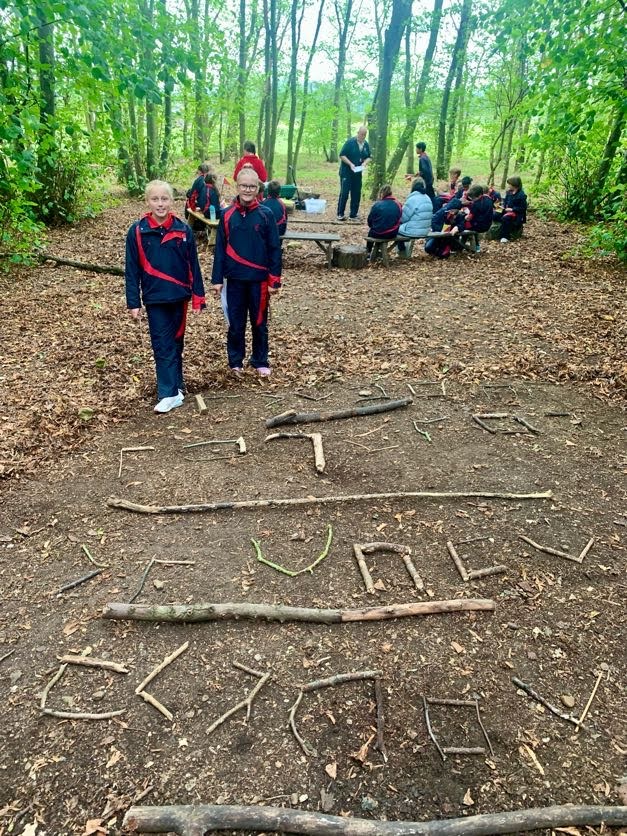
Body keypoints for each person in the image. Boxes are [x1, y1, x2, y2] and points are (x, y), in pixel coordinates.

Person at [125, 180, 206, 413]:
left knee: (176, 342)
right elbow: (132, 269)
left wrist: (198, 296)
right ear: (147, 201)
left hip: (180, 296)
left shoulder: (183, 230)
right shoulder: (138, 231)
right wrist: (133, 302)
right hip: (154, 298)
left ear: (171, 201)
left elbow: (194, 266)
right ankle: (167, 393)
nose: (160, 204)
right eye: (155, 199)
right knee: (162, 344)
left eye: (164, 199)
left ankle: (177, 386)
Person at [211, 168, 282, 378]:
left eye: (252, 186)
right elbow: (220, 249)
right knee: (236, 323)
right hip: (234, 279)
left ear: (258, 188)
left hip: (259, 281)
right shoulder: (226, 215)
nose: (247, 190)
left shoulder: (266, 214)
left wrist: (274, 280)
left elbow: (274, 249)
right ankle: (235, 360)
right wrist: (217, 279)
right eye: (244, 185)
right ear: (237, 186)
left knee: (259, 322)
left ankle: (260, 359)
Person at [337, 125, 372, 221]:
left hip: (357, 172)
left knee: (356, 193)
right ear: (358, 133)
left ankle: (353, 214)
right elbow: (342, 155)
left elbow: (369, 157)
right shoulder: (350, 142)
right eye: (361, 134)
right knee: (344, 193)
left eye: (364, 135)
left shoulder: (366, 145)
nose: (362, 136)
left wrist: (365, 163)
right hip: (346, 172)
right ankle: (340, 213)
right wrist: (350, 164)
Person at [366, 184, 402, 257]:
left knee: (372, 231)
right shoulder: (398, 204)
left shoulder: (377, 205)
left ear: (381, 193)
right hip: (392, 233)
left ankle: (368, 251)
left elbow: (370, 220)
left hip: (377, 233)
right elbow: (400, 218)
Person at [398, 178, 434, 248]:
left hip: (414, 231)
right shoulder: (427, 198)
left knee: (396, 229)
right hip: (426, 230)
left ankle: (402, 251)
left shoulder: (412, 199)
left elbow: (403, 218)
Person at [493, 176, 527, 242]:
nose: (508, 185)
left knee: (506, 218)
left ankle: (505, 237)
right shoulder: (509, 192)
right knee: (495, 214)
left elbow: (523, 208)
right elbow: (505, 202)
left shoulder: (521, 195)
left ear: (515, 185)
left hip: (516, 214)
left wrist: (512, 209)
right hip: (506, 211)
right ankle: (505, 226)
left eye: (509, 184)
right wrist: (502, 206)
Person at [413, 142, 436, 206]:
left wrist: (420, 174)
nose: (416, 150)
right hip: (430, 180)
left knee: (430, 198)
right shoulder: (426, 157)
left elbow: (425, 171)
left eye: (417, 148)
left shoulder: (422, 158)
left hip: (426, 181)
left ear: (420, 149)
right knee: (431, 196)